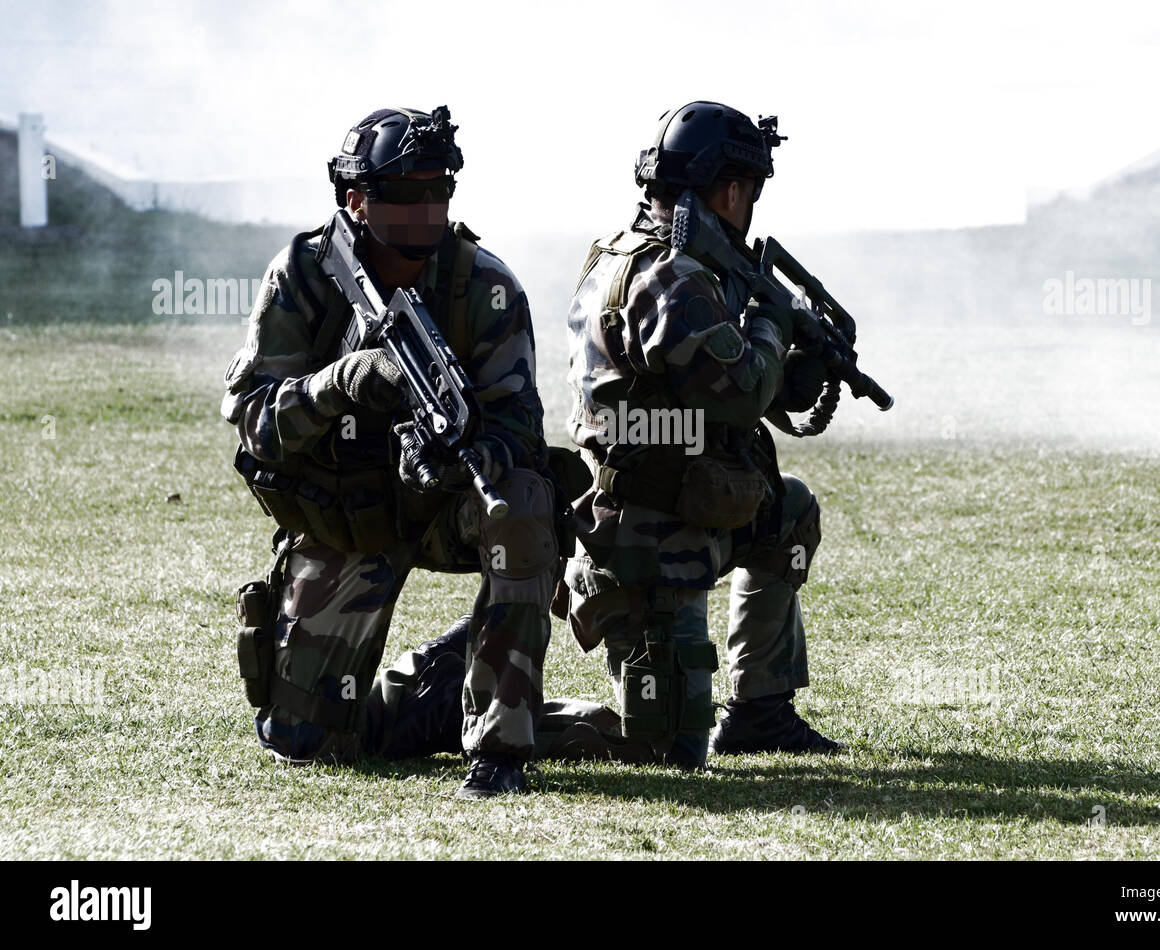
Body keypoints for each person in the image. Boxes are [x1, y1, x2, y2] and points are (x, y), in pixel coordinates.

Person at [223, 106, 558, 799]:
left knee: (522, 503)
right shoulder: (306, 275)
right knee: (311, 741)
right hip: (344, 519)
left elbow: (520, 430)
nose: (426, 211)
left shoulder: (484, 288)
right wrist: (343, 383)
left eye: (440, 191)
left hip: (442, 507)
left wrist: (464, 456)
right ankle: (450, 675)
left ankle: (499, 749)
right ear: (356, 200)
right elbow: (255, 425)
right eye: (406, 194)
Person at [557, 101, 843, 769]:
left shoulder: (639, 256)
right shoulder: (674, 276)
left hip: (684, 512)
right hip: (644, 544)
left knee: (788, 511)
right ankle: (480, 719)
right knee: (670, 750)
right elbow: (741, 388)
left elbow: (711, 393)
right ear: (732, 189)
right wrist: (775, 325)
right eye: (749, 190)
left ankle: (760, 711)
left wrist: (793, 372)